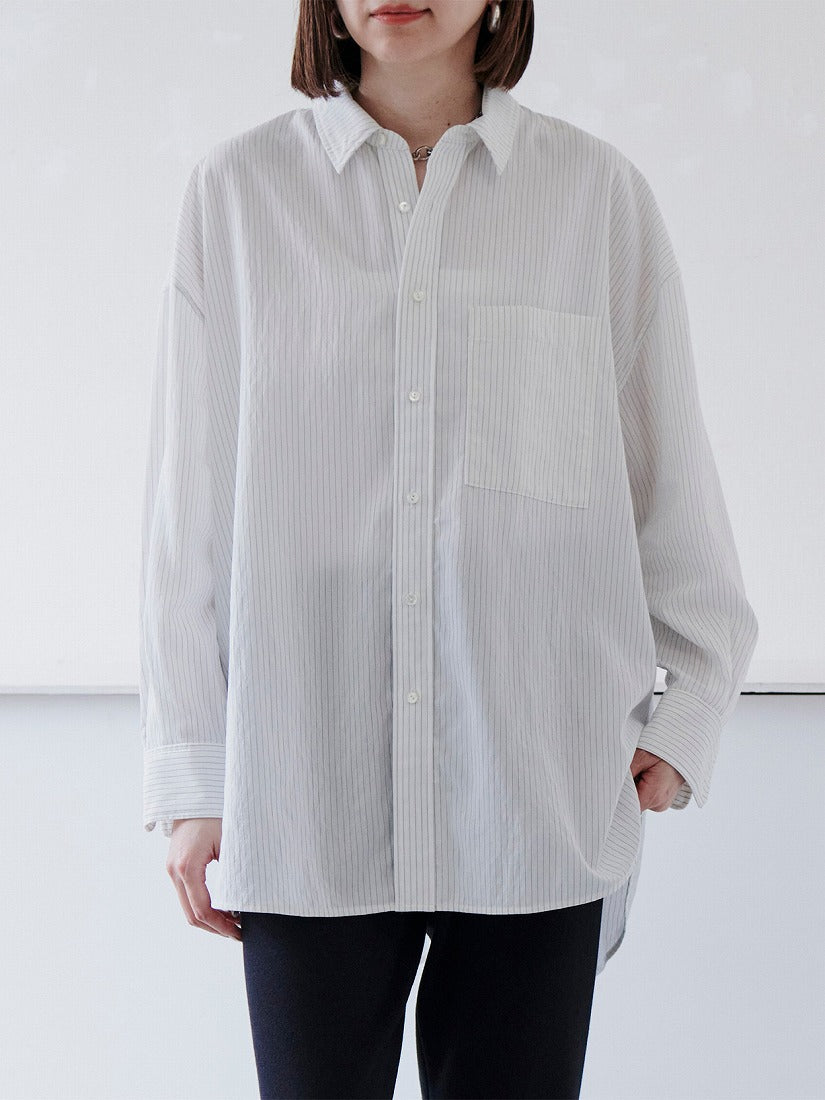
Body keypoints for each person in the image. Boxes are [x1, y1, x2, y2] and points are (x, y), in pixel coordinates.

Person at [138, 1, 759, 1097]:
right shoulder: (236, 195)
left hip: (537, 788)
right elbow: (187, 510)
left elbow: (669, 479)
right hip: (304, 784)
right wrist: (192, 773)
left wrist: (691, 706)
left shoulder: (595, 197)